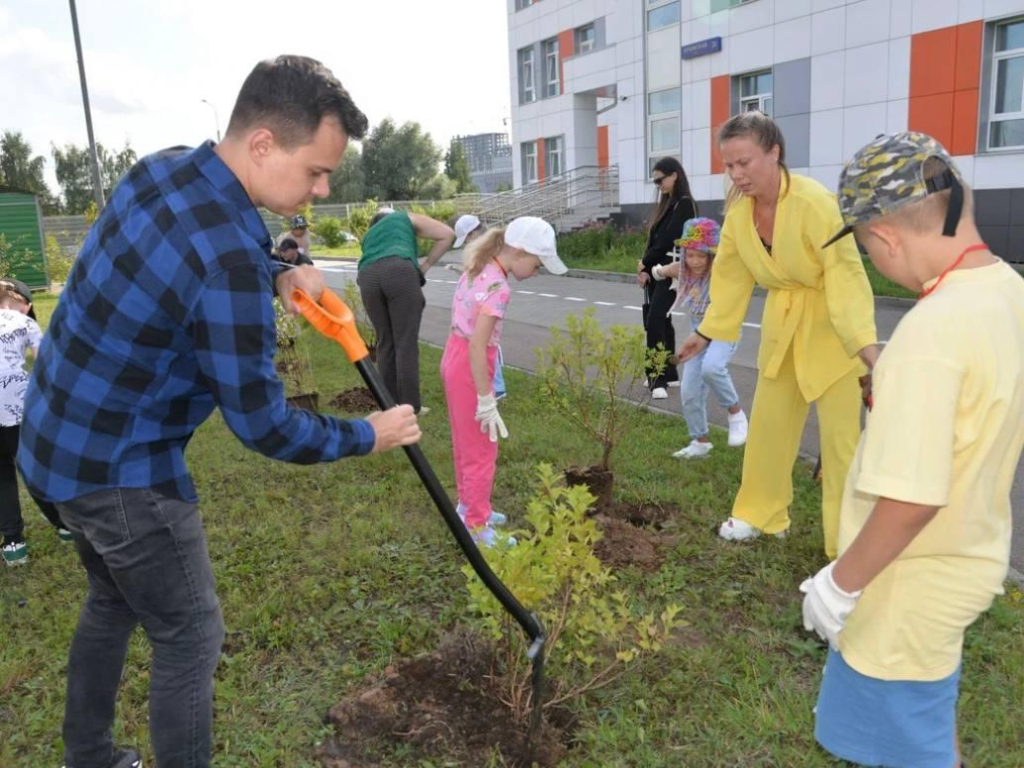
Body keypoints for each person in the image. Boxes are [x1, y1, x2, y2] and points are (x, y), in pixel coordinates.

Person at [17, 56, 421, 768]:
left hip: (51, 446)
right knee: (190, 634)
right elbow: (264, 425)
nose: (320, 191)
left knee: (112, 601)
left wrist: (280, 270)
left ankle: (89, 755)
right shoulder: (230, 262)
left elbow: (197, 258)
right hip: (122, 476)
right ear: (263, 143)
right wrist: (368, 434)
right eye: (316, 172)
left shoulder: (161, 168)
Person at [800, 132, 1024, 768]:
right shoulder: (1007, 291)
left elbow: (911, 497)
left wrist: (839, 586)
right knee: (925, 730)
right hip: (966, 555)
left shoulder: (929, 334)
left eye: (868, 249)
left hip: (907, 580)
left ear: (886, 238)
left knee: (904, 749)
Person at [677, 112, 878, 558]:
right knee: (768, 426)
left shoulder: (815, 203)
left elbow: (846, 273)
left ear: (774, 153)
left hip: (832, 329)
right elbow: (729, 275)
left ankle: (848, 542)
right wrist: (708, 334)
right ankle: (762, 513)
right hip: (781, 325)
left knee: (841, 443)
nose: (736, 174)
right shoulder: (739, 213)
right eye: (728, 166)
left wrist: (864, 346)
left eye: (744, 162)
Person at [442, 216, 567, 547]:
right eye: (537, 265)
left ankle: (469, 505)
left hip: (453, 357)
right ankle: (477, 526)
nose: (536, 272)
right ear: (521, 251)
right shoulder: (499, 288)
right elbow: (478, 346)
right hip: (472, 366)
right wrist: (486, 398)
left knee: (465, 442)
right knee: (483, 449)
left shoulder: (478, 267)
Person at [650, 218, 748, 459]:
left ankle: (735, 412)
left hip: (723, 331)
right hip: (697, 335)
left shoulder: (721, 272)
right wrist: (649, 271)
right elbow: (661, 270)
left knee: (712, 368)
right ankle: (700, 442)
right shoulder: (681, 269)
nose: (695, 262)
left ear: (713, 256)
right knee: (689, 391)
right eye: (691, 255)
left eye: (702, 256)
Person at [356, 207, 455, 414]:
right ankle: (411, 407)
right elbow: (448, 234)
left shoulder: (369, 235)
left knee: (385, 342)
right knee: (405, 343)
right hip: (399, 271)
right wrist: (425, 265)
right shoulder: (405, 218)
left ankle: (387, 405)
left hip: (367, 277)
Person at [0, 278, 69, 567]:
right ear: (26, 305)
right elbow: (44, 366)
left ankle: (14, 543)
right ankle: (64, 524)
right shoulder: (26, 322)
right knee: (32, 468)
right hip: (15, 407)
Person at [638, 157, 697, 399]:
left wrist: (646, 262)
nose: (658, 185)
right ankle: (670, 374)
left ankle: (656, 378)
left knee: (654, 321)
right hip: (656, 273)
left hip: (673, 272)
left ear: (674, 175)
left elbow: (669, 238)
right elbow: (654, 239)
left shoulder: (685, 204)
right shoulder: (668, 204)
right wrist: (644, 267)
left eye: (660, 179)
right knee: (662, 321)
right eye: (655, 181)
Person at [452, 214, 506, 399]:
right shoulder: (483, 251)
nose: (467, 244)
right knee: (482, 343)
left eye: (467, 239)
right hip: (478, 306)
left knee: (486, 345)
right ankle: (492, 386)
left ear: (473, 234)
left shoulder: (491, 250)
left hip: (486, 305)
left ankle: (495, 387)